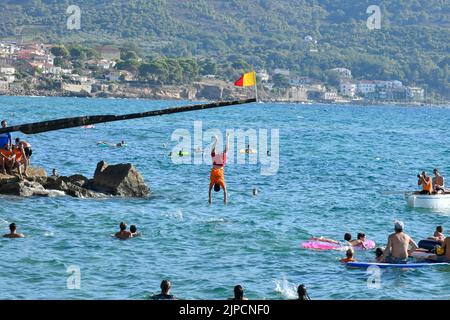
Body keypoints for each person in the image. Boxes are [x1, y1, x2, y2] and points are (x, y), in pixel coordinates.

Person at [209, 133, 229, 204]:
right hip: (215, 163)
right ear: (214, 185)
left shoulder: (221, 182)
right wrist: (210, 200)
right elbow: (210, 191)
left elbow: (225, 191)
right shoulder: (212, 181)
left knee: (225, 151)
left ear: (219, 186)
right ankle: (216, 140)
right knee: (212, 152)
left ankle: (227, 137)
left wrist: (225, 200)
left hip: (221, 164)